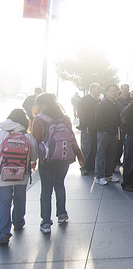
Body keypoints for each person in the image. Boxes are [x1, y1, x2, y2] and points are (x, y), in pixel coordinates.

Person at [31, 93, 84, 234]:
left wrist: (32, 160)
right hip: (64, 158)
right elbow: (72, 137)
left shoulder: (39, 120)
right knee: (59, 185)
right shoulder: (64, 118)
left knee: (46, 189)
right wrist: (79, 155)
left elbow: (35, 140)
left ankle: (46, 223)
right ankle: (62, 214)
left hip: (47, 160)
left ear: (43, 105)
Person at [0, 109, 37, 244]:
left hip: (3, 174)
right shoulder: (27, 137)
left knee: (4, 201)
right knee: (20, 197)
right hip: (22, 173)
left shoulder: (2, 133)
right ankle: (18, 222)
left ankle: (3, 232)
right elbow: (34, 157)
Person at [94, 84, 121, 186]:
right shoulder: (102, 104)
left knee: (111, 155)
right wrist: (104, 130)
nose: (113, 93)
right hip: (104, 134)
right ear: (106, 92)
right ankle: (99, 177)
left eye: (115, 91)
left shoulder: (115, 103)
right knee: (101, 155)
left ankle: (108, 175)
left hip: (113, 133)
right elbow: (98, 119)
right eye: (111, 91)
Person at [78, 83, 101, 176]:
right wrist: (87, 126)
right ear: (91, 89)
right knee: (86, 148)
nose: (99, 91)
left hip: (96, 128)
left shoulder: (100, 101)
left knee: (94, 148)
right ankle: (84, 167)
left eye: (99, 89)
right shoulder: (84, 100)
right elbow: (81, 114)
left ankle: (91, 167)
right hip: (86, 128)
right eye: (97, 89)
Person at [115, 84, 133, 169]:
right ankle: (115, 162)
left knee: (128, 146)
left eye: (127, 88)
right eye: (124, 88)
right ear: (121, 90)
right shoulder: (116, 101)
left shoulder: (132, 101)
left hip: (129, 127)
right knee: (118, 147)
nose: (125, 90)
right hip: (119, 126)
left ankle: (126, 163)